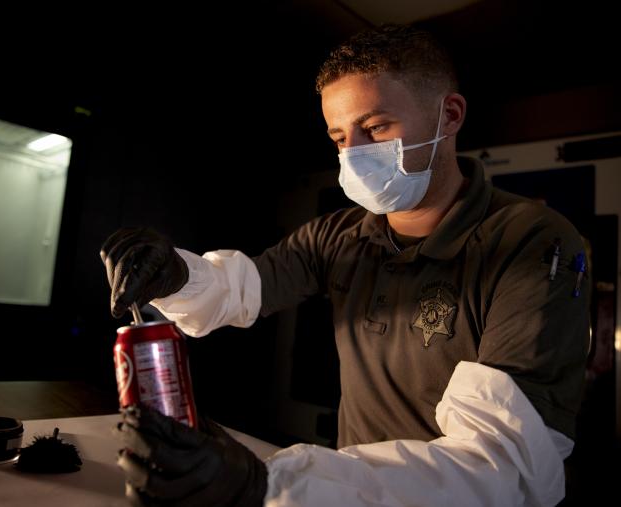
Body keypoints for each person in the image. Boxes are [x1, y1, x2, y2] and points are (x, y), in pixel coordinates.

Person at [101, 24, 590, 506]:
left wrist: (266, 484)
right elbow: (246, 285)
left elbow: (499, 465)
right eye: (339, 136)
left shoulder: (532, 242)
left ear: (451, 115)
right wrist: (177, 276)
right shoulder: (343, 235)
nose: (353, 155)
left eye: (376, 128)